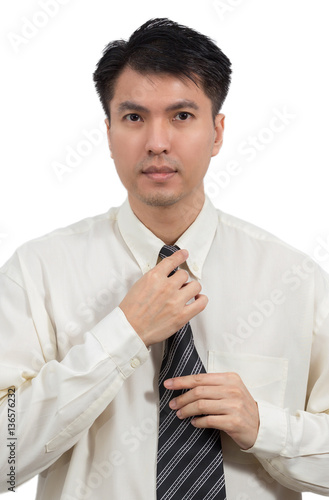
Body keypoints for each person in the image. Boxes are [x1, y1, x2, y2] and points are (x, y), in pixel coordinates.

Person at [0, 17, 328, 500]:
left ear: (217, 133)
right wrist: (122, 335)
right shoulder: (38, 272)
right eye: (134, 117)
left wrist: (265, 426)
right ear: (108, 132)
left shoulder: (295, 280)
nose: (157, 142)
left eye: (181, 116)